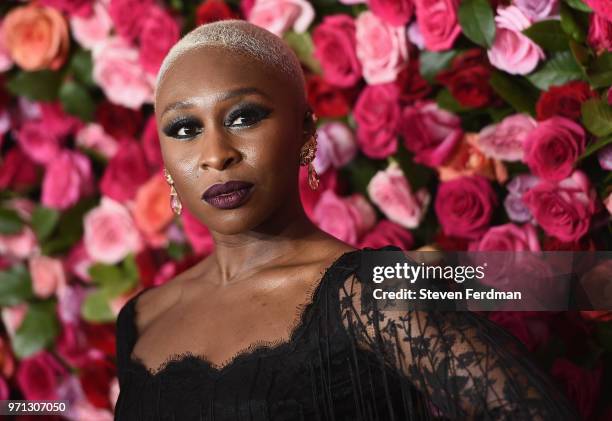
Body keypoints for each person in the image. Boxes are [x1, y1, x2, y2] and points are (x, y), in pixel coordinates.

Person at [113, 19, 578, 421]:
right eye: (184, 129)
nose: (216, 154)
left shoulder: (374, 294)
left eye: (243, 117)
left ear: (306, 133)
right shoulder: (142, 317)